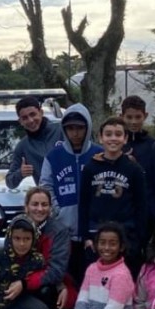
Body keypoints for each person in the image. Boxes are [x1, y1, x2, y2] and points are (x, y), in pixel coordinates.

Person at [39, 103, 102, 285]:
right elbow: (46, 187)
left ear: (87, 127)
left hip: (93, 231)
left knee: (92, 279)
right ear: (64, 129)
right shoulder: (54, 156)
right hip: (63, 231)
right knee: (67, 279)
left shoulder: (98, 154)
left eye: (80, 128)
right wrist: (57, 212)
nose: (75, 133)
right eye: (70, 128)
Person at [79, 117, 148, 279]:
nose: (113, 138)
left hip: (126, 237)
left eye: (118, 134)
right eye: (108, 134)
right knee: (97, 284)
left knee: (124, 283)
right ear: (100, 137)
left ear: (125, 138)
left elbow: (141, 206)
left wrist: (139, 239)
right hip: (97, 235)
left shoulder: (134, 169)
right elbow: (83, 204)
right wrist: (85, 237)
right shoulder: (90, 168)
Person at [21, 187, 78, 309]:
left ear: (50, 207)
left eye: (44, 204)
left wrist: (24, 282)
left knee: (48, 290)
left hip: (53, 282)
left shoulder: (59, 231)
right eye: (35, 204)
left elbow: (57, 270)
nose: (40, 209)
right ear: (26, 207)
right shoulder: (18, 227)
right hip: (24, 280)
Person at [6, 95, 63, 189]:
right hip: (47, 200)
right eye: (25, 118)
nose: (30, 120)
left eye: (33, 114)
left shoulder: (62, 131)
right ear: (20, 121)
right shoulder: (22, 147)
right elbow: (9, 182)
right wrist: (21, 173)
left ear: (41, 112)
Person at [120, 95, 155, 174]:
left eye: (138, 117)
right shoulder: (116, 144)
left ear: (145, 116)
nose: (134, 122)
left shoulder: (154, 146)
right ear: (122, 117)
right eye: (129, 117)